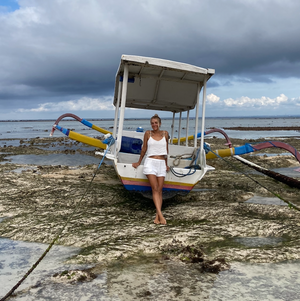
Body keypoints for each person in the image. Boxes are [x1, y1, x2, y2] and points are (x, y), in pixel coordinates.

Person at [132, 114, 170, 225]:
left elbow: (166, 150)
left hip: (161, 163)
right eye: (152, 123)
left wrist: (166, 164)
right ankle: (161, 215)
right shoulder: (147, 133)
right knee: (155, 188)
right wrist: (139, 162)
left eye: (156, 123)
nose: (154, 125)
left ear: (160, 123)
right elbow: (144, 148)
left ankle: (157, 216)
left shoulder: (165, 134)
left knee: (160, 190)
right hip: (150, 162)